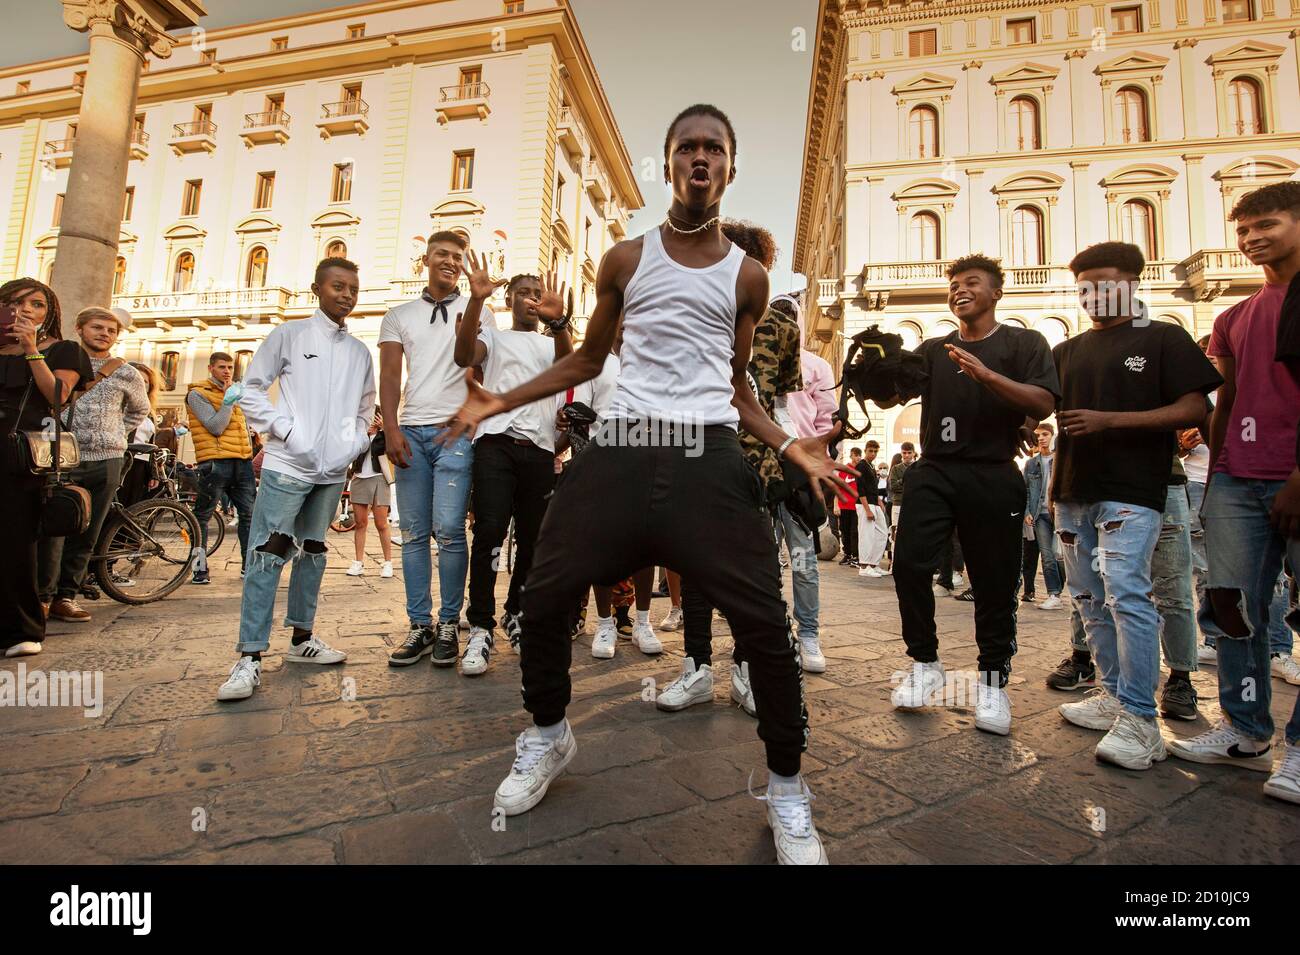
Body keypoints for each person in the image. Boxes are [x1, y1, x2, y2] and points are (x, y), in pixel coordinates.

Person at [438, 104, 851, 863]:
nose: (701, 158)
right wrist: (501, 399)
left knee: (763, 621)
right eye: (687, 147)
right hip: (623, 443)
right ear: (669, 164)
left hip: (709, 451)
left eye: (714, 149)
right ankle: (548, 732)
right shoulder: (624, 260)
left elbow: (738, 389)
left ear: (729, 167)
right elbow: (588, 361)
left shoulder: (749, 277)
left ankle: (787, 790)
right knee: (543, 590)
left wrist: (795, 446)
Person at [1049, 242, 1221, 769]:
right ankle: (1113, 695)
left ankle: (1142, 721)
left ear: (1131, 283)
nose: (1093, 295)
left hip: (1134, 492)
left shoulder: (1164, 337)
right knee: (1087, 598)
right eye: (1084, 287)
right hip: (1072, 492)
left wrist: (1109, 421)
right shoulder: (1067, 350)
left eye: (1104, 283)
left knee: (1129, 595)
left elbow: (1195, 406)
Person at [1166, 181, 1300, 804]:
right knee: (1234, 612)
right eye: (1243, 230)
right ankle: (1246, 730)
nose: (1251, 239)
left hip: (1296, 474)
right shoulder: (1233, 317)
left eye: (1265, 225)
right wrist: (1218, 470)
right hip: (1237, 481)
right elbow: (1227, 400)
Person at [888, 254, 1059, 736]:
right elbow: (889, 395)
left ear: (996, 292)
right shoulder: (934, 349)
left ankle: (992, 683)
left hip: (994, 471)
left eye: (971, 283)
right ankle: (925, 664)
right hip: (934, 470)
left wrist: (986, 375)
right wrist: (876, 367)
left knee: (995, 582)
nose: (959, 290)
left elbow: (1043, 401)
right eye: (954, 285)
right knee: (909, 566)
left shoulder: (1025, 342)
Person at [216, 257, 376, 701]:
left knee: (314, 553)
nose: (346, 295)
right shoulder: (289, 335)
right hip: (288, 466)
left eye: (352, 289)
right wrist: (285, 431)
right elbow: (249, 389)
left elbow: (366, 409)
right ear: (317, 289)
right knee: (267, 555)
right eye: (338, 286)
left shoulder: (360, 352)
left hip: (330, 472)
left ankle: (302, 639)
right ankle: (249, 656)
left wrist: (355, 444)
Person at [455, 259, 572, 674]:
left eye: (538, 293)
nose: (532, 299)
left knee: (532, 539)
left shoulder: (550, 342)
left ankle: (517, 613)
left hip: (539, 450)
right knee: (488, 533)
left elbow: (568, 368)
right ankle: (481, 626)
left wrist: (560, 324)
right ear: (508, 299)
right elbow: (464, 354)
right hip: (496, 444)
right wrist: (475, 300)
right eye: (524, 292)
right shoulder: (495, 337)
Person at [379, 232, 477, 668]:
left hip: (454, 433)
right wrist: (391, 430)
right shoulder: (398, 315)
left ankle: (449, 624)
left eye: (458, 257)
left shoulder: (479, 311)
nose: (451, 262)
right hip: (412, 433)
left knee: (451, 531)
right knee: (415, 534)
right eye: (443, 254)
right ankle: (420, 623)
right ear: (426, 258)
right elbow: (389, 377)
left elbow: (481, 369)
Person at [38, 306, 149, 620]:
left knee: (88, 531)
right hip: (60, 457)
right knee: (54, 529)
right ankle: (42, 597)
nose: (105, 334)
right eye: (98, 328)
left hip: (108, 458)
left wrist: (115, 433)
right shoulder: (61, 363)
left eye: (111, 330)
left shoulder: (126, 371)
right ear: (80, 328)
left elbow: (139, 410)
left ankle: (66, 596)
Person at [0, 279, 91, 657]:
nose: (26, 310)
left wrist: (31, 350)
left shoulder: (63, 350)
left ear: (49, 312)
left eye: (36, 305)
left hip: (22, 456)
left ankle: (23, 629)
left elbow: (57, 396)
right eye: (15, 303)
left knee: (15, 543)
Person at [186, 350, 256, 582]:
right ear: (210, 368)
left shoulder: (235, 394)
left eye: (229, 368)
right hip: (215, 463)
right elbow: (216, 426)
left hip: (241, 461)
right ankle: (199, 569)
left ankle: (249, 566)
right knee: (202, 517)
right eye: (221, 367)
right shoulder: (197, 394)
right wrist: (227, 401)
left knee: (249, 515)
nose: (226, 372)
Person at [345, 412, 394, 580]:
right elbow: (349, 452)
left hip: (380, 478)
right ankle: (358, 562)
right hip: (359, 478)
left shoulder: (384, 435)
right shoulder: (358, 435)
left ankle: (388, 562)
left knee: (381, 523)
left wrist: (385, 429)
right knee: (360, 523)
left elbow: (396, 447)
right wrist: (364, 435)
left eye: (375, 417)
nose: (371, 421)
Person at [1022, 423, 1064, 610]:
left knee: (1062, 557)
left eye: (1045, 434)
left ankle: (1062, 589)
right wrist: (1027, 512)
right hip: (1040, 514)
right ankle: (1053, 593)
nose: (1041, 438)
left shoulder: (1061, 460)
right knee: (1047, 556)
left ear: (1052, 436)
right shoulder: (1031, 464)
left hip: (1061, 513)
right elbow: (1026, 491)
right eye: (1038, 435)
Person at [119, 360, 161, 507]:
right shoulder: (119, 405)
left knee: (132, 509)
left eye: (146, 382)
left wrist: (153, 472)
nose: (142, 384)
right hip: (123, 462)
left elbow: (150, 444)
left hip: (141, 466)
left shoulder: (149, 412)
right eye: (138, 379)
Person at [856, 440, 890, 576]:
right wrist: (867, 509)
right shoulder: (861, 466)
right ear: (865, 451)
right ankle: (864, 567)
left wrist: (879, 503)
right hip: (864, 503)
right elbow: (860, 488)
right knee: (867, 535)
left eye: (875, 451)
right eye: (870, 451)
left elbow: (873, 487)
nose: (873, 454)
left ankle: (873, 564)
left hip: (874, 502)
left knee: (882, 533)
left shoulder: (871, 466)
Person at [835, 448, 861, 566]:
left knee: (855, 531)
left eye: (859, 455)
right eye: (856, 455)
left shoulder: (860, 470)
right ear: (851, 456)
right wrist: (836, 505)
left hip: (856, 506)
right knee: (844, 531)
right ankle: (847, 554)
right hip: (844, 505)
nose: (858, 458)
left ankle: (856, 555)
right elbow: (837, 488)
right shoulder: (844, 470)